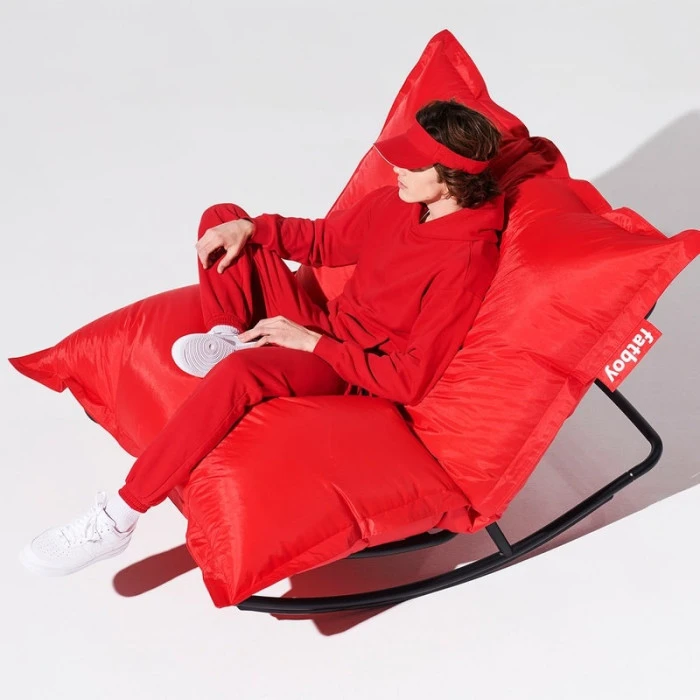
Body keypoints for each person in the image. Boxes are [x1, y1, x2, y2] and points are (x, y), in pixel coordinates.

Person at [19, 98, 506, 577]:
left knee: (242, 373)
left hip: (348, 369)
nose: (396, 167)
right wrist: (251, 229)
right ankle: (227, 334)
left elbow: (408, 379)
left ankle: (117, 519)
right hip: (324, 326)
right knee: (223, 217)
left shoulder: (466, 261)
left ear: (451, 176)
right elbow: (324, 241)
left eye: (412, 163)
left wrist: (311, 344)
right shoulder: (400, 203)